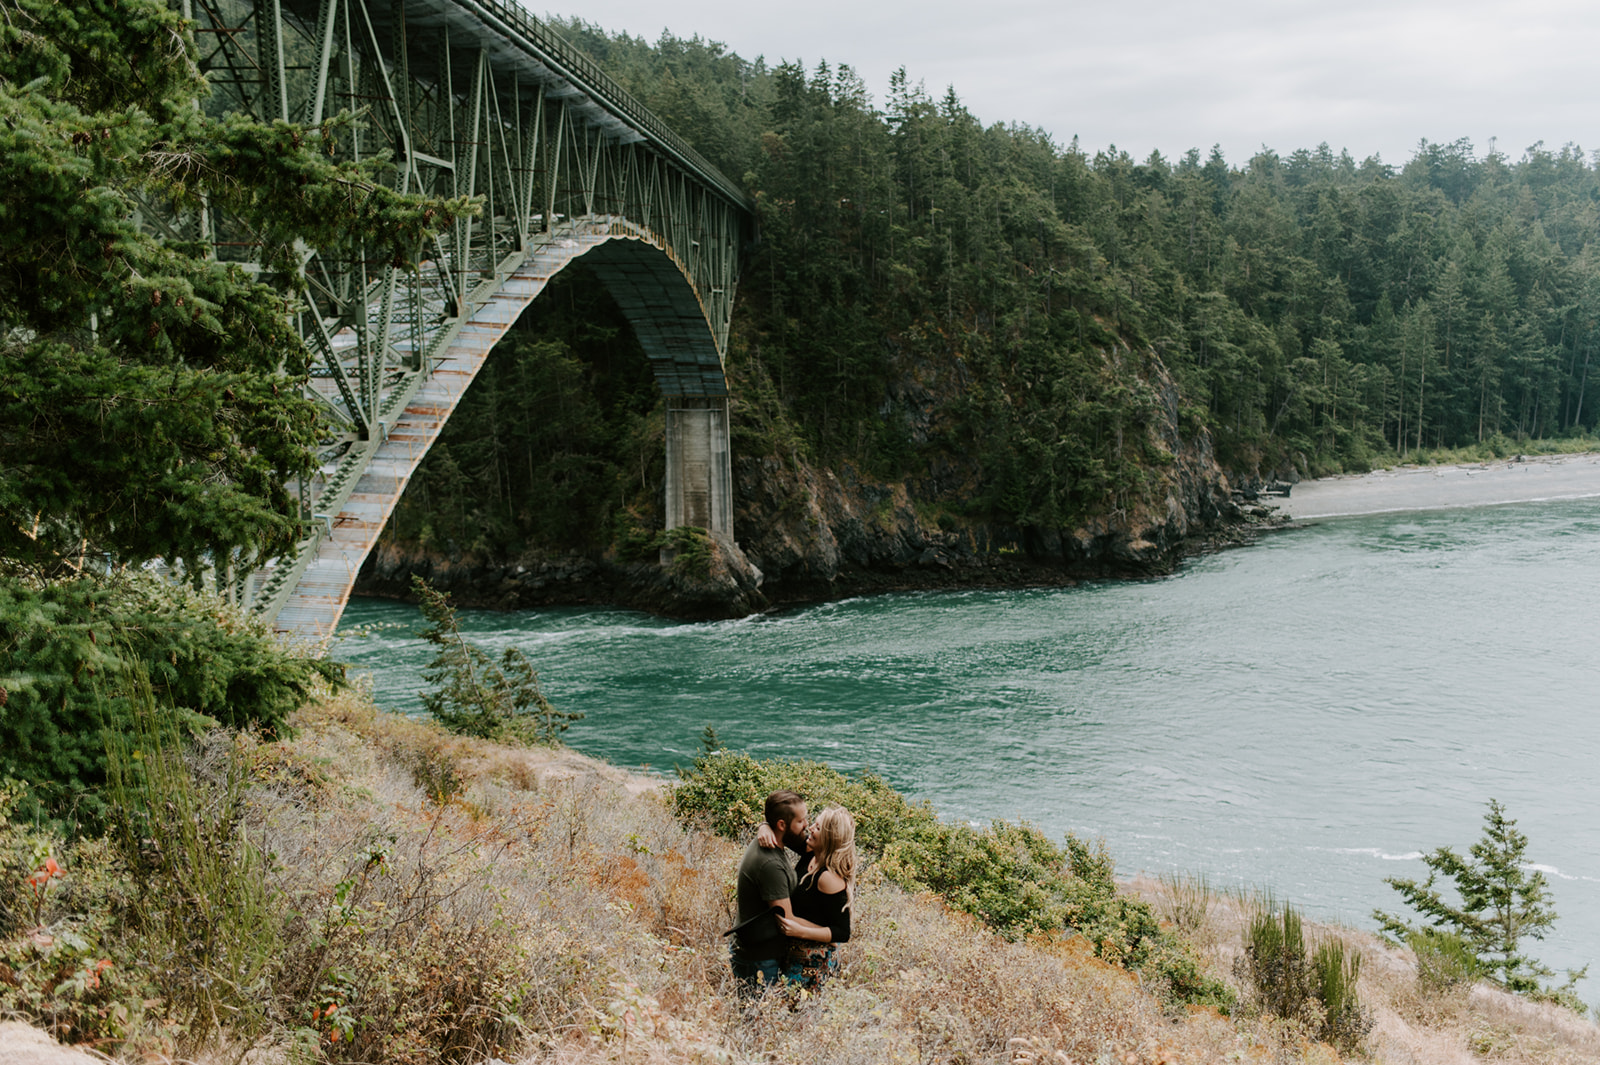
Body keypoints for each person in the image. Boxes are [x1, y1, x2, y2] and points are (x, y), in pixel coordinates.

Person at [728, 789, 808, 995]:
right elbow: (786, 920)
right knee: (756, 1022)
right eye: (801, 821)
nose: (806, 826)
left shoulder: (774, 840)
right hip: (758, 959)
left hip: (762, 954)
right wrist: (831, 932)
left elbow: (808, 845)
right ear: (782, 825)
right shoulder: (770, 863)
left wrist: (764, 824)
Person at [777, 805, 856, 989]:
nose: (810, 828)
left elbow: (842, 932)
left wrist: (799, 930)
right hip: (794, 951)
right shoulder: (810, 852)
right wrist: (765, 826)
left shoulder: (828, 878)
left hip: (814, 962)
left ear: (829, 839)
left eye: (818, 828)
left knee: (801, 1015)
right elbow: (782, 833)